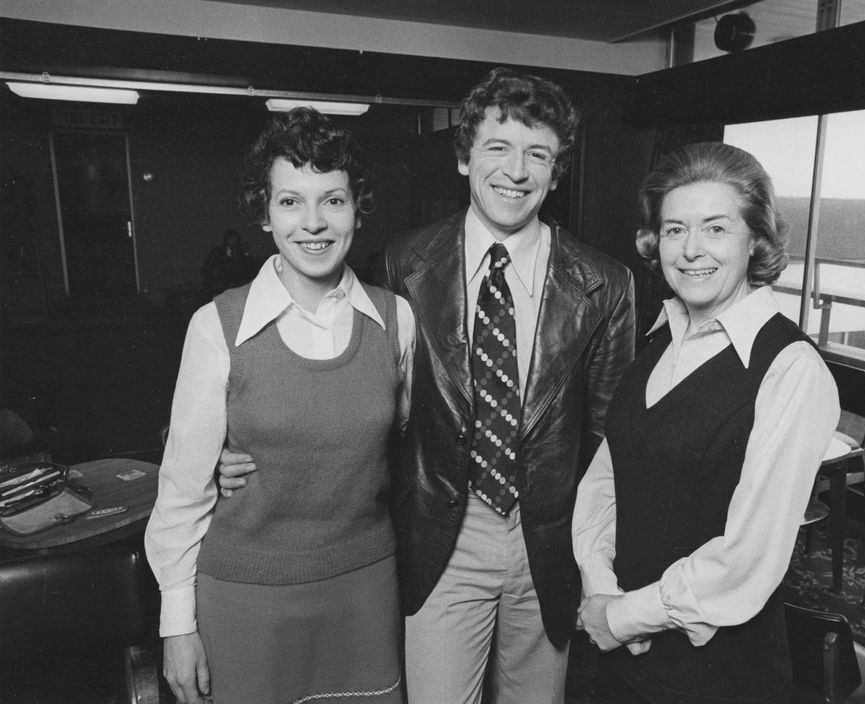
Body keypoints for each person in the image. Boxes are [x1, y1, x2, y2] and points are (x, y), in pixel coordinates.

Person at [220, 67, 636, 704]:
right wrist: (229, 450)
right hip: (440, 536)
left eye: (538, 155)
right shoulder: (401, 263)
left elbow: (613, 446)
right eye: (498, 148)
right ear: (465, 157)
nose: (516, 172)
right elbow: (347, 391)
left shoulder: (606, 284)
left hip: (549, 545)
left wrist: (602, 566)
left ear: (557, 172)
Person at [144, 107, 414, 704]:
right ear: (264, 214)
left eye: (334, 200)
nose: (313, 222)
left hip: (365, 591)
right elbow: (181, 493)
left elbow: (403, 447)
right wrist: (176, 625)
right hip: (244, 597)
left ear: (357, 209)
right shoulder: (217, 325)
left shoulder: (397, 320)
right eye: (291, 201)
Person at [573, 142, 840, 704]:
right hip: (625, 660)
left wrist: (624, 617)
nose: (691, 250)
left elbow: (750, 556)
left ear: (755, 241)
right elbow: (605, 480)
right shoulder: (660, 337)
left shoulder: (791, 369)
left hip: (718, 680)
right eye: (674, 230)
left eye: (715, 229)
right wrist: (600, 589)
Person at [200, 228, 257, 297]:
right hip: (219, 290)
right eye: (230, 239)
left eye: (236, 239)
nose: (233, 242)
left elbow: (251, 270)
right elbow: (206, 270)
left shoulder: (243, 253)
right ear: (226, 241)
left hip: (237, 290)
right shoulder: (216, 253)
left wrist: (247, 253)